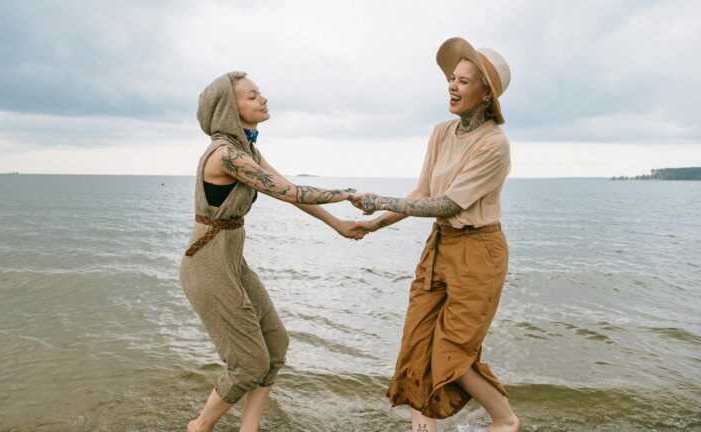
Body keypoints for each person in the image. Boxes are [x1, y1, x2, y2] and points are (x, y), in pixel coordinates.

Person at [180, 71, 365, 432]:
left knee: (275, 345)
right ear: (229, 108)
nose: (262, 99)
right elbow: (291, 193)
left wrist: (338, 224)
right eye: (252, 96)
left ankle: (248, 429)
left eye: (259, 93)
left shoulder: (247, 151)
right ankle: (199, 427)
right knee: (249, 364)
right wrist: (347, 194)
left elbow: (288, 188)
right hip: (207, 265)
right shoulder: (226, 156)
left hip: (232, 262)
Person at [353, 37, 520, 432]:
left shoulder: (494, 143)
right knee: (417, 344)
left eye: (463, 81)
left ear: (485, 94)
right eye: (451, 79)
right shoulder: (441, 132)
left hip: (479, 252)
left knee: (451, 353)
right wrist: (375, 224)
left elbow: (448, 204)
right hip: (439, 246)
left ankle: (505, 420)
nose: (452, 86)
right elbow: (422, 193)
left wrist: (376, 200)